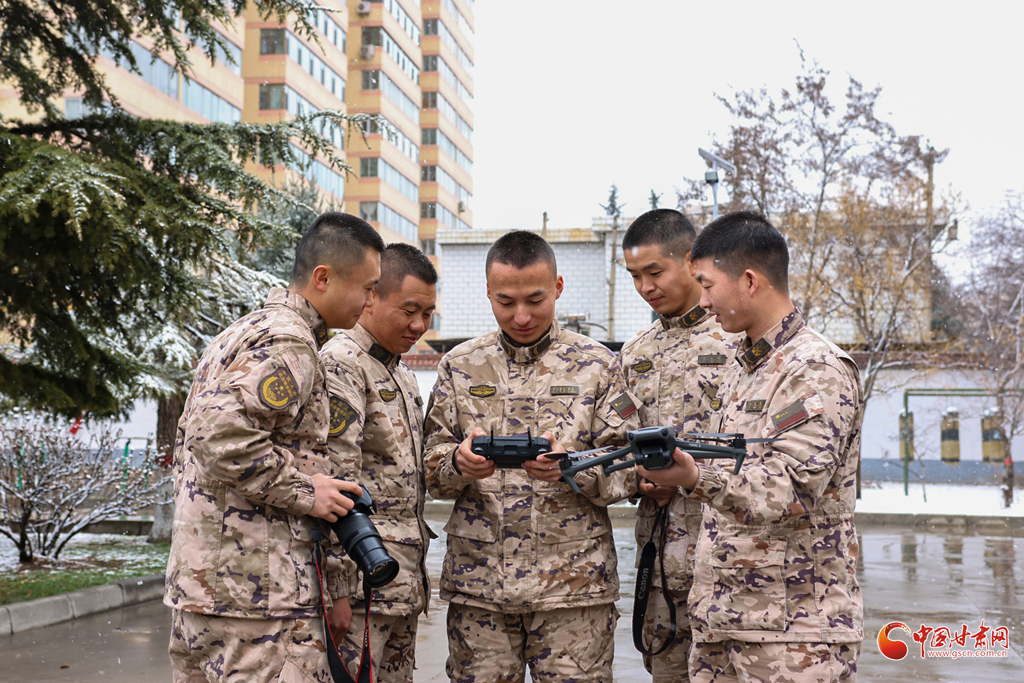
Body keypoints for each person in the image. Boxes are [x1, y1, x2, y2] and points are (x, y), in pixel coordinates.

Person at [638, 210, 864, 683]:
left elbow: (792, 487)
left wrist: (694, 477)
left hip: (794, 635)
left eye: (707, 284)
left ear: (749, 280)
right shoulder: (745, 366)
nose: (702, 300)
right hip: (723, 622)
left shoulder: (815, 368)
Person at [165, 212, 385, 683]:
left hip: (206, 591)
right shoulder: (291, 343)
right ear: (323, 278)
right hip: (259, 603)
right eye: (368, 288)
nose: (371, 302)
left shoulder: (243, 331)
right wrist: (307, 492)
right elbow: (214, 434)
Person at [423, 230, 640, 683]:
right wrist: (458, 464)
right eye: (506, 301)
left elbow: (628, 466)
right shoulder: (460, 365)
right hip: (480, 590)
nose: (521, 316)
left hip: (573, 591)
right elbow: (429, 465)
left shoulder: (598, 364)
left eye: (535, 300)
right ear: (488, 292)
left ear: (558, 288)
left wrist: (570, 467)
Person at [620, 209, 740, 682]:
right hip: (660, 568)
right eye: (635, 276)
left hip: (730, 560)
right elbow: (614, 442)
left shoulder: (737, 338)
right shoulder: (635, 352)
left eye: (655, 272)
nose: (645, 287)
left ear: (690, 261)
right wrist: (638, 479)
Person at [320, 243, 438, 682]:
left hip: (400, 586)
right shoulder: (342, 364)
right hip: (361, 591)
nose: (419, 325)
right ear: (371, 296)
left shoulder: (400, 371)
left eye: (428, 313)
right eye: (409, 310)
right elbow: (336, 481)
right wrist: (338, 591)